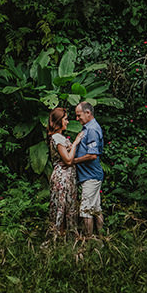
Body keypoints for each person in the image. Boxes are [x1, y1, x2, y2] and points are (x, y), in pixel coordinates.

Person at [46, 107, 83, 237]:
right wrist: (75, 143)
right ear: (59, 121)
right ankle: (58, 239)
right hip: (62, 177)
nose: (67, 122)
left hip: (68, 177)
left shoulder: (60, 137)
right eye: (65, 119)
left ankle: (66, 239)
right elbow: (67, 160)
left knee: (68, 207)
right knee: (61, 208)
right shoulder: (57, 138)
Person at [71, 101, 104, 237]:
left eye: (79, 116)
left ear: (88, 113)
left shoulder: (92, 129)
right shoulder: (88, 127)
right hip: (90, 176)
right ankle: (102, 239)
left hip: (91, 176)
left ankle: (88, 242)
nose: (77, 119)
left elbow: (92, 155)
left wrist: (74, 161)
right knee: (96, 209)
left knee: (85, 210)